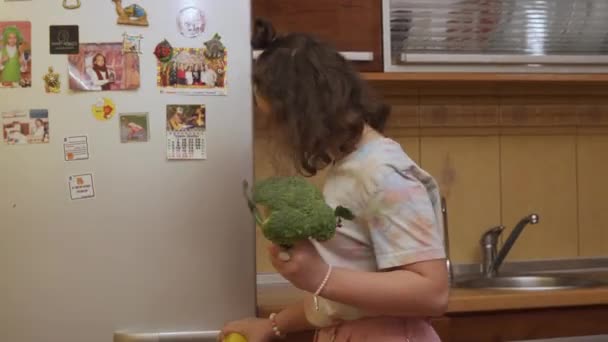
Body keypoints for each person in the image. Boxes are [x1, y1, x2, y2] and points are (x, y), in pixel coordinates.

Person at [219, 19, 449, 342]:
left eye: (276, 121)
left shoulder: (381, 173)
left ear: (302, 115)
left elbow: (432, 291)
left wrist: (320, 275)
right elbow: (348, 300)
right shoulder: (349, 168)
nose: (279, 135)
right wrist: (274, 325)